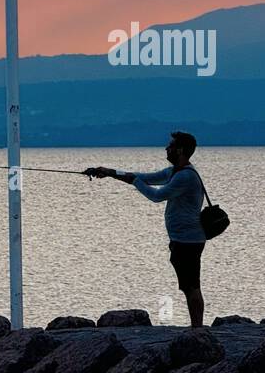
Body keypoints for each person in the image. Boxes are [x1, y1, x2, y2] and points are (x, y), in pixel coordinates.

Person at [87, 131, 207, 327]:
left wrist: (135, 182)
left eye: (170, 146)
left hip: (189, 240)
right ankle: (197, 327)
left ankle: (198, 328)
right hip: (182, 239)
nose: (166, 149)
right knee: (188, 286)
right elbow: (143, 177)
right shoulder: (174, 172)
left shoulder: (185, 176)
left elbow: (156, 195)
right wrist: (109, 172)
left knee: (192, 286)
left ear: (180, 150)